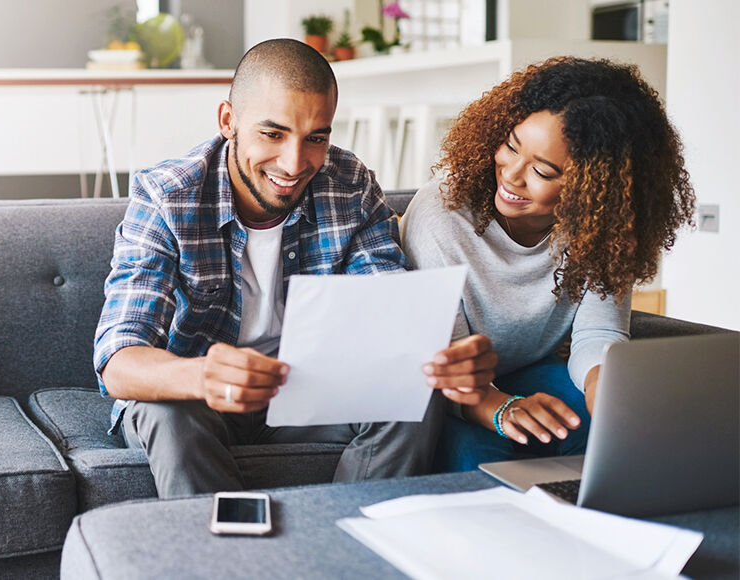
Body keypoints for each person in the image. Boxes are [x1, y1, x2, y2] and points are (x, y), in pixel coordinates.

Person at [93, 38, 497, 498]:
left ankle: (348, 550)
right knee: (165, 413)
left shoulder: (349, 186)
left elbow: (386, 304)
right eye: (273, 133)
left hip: (305, 393)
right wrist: (203, 375)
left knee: (416, 395)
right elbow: (118, 359)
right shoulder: (167, 196)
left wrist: (444, 355)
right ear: (229, 121)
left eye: (316, 138)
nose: (294, 163)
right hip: (197, 397)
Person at [400, 56, 695, 472]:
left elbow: (598, 332)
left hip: (532, 370)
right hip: (453, 391)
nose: (512, 175)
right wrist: (502, 409)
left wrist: (605, 387)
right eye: (510, 146)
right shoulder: (442, 215)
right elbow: (445, 363)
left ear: (596, 187)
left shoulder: (603, 227)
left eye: (543, 170)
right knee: (475, 461)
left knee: (605, 435)